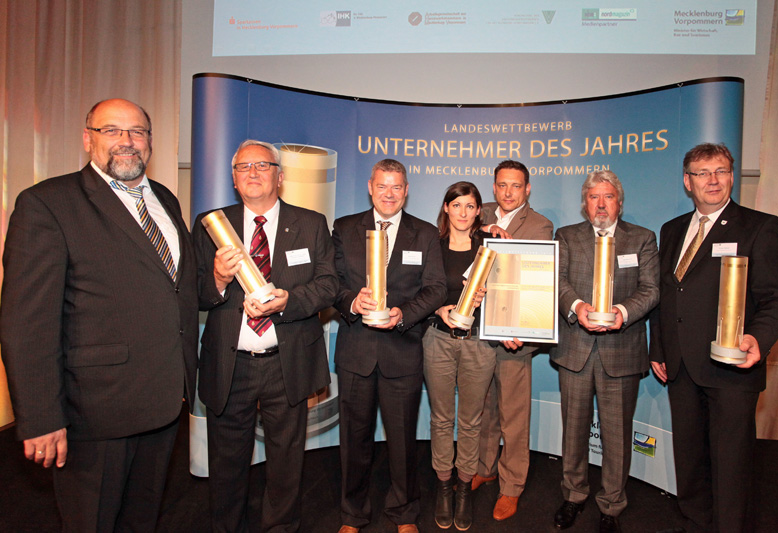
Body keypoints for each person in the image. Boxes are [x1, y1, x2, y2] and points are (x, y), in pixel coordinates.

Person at [0, 98, 198, 532]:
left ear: (150, 141)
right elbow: (26, 324)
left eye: (137, 131)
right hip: (95, 411)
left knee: (141, 519)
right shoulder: (47, 203)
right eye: (112, 130)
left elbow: (175, 287)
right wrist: (41, 417)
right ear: (88, 139)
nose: (127, 141)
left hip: (164, 402)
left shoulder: (165, 198)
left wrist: (216, 280)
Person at [193, 140, 337, 532]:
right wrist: (218, 279)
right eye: (243, 167)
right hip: (230, 363)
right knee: (226, 462)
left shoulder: (311, 223)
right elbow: (192, 292)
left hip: (286, 361)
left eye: (262, 165)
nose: (253, 173)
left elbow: (328, 285)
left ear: (280, 176)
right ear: (233, 179)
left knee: (286, 463)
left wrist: (290, 301)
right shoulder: (211, 225)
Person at [650, 143, 778, 533]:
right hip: (680, 366)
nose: (712, 180)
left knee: (732, 464)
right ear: (688, 182)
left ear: (731, 176)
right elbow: (667, 294)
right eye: (702, 173)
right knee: (690, 458)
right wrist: (658, 348)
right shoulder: (672, 229)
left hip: (731, 366)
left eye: (721, 171)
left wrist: (758, 338)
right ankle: (696, 521)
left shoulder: (760, 227)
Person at [332, 159, 447, 533]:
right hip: (356, 353)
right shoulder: (344, 228)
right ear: (370, 187)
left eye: (397, 187)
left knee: (402, 443)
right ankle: (352, 514)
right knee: (354, 442)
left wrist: (403, 314)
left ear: (407, 190)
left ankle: (405, 513)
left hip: (402, 352)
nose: (389, 194)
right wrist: (352, 301)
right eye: (382, 186)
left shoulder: (425, 233)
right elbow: (330, 283)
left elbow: (436, 288)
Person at [550, 170, 659, 533]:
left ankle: (611, 504)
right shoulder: (567, 236)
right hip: (576, 350)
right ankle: (574, 494)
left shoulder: (642, 238)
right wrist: (578, 306)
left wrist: (622, 313)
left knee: (617, 435)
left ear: (619, 202)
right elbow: (558, 281)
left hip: (621, 350)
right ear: (585, 203)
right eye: (593, 197)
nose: (600, 204)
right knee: (573, 431)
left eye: (608, 196)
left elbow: (651, 289)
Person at [473, 159, 553, 521]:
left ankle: (512, 486)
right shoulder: (479, 212)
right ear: (493, 187)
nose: (508, 192)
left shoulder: (539, 225)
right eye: (502, 185)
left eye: (516, 186)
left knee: (514, 417)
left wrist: (513, 328)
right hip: (478, 330)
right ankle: (485, 468)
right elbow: (451, 232)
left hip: (513, 336)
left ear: (528, 189)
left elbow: (534, 280)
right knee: (484, 409)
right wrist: (482, 229)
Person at [424, 182, 494, 531]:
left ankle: (464, 487)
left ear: (479, 210)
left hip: (479, 344)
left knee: (470, 421)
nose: (463, 212)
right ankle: (443, 486)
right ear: (446, 208)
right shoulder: (432, 247)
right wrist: (440, 309)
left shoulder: (491, 248)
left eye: (470, 206)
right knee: (441, 419)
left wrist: (490, 296)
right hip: (438, 340)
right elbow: (419, 292)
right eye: (457, 205)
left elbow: (510, 294)